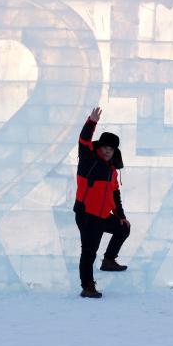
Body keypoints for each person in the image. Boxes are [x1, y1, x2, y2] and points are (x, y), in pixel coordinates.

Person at [73, 106, 131, 298]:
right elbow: (84, 140)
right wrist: (92, 121)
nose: (108, 151)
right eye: (105, 147)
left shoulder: (112, 169)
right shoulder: (88, 158)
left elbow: (115, 194)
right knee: (89, 251)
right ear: (100, 147)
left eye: (111, 149)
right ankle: (87, 287)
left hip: (103, 215)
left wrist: (120, 216)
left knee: (124, 228)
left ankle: (108, 261)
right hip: (87, 215)